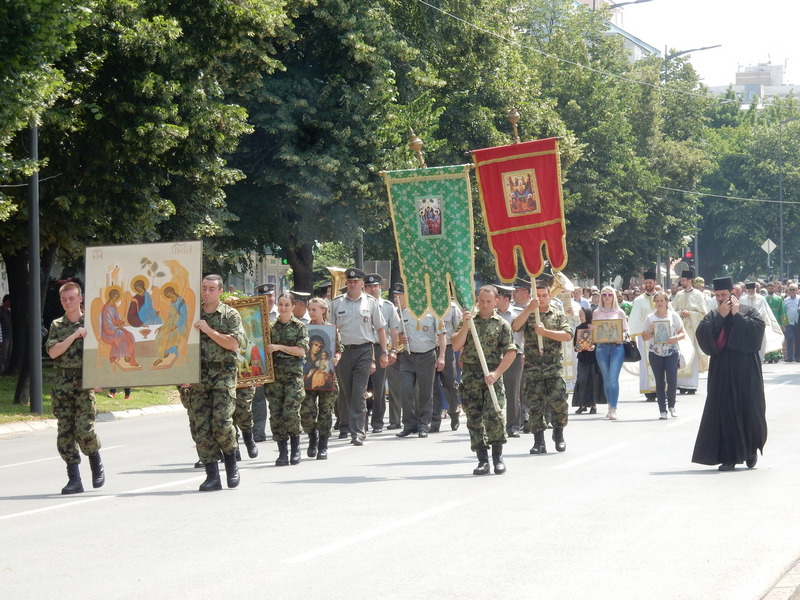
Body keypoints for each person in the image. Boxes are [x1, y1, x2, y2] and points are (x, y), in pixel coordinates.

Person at [692, 276, 767, 471]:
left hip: (746, 369)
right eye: (717, 295)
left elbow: (757, 332)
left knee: (749, 408)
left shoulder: (748, 311)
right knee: (725, 411)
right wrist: (720, 317)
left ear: (733, 293)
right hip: (722, 369)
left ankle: (750, 451)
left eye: (723, 294)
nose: (720, 298)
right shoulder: (714, 314)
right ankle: (729, 457)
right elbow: (703, 335)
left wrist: (736, 315)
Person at [183, 274, 246, 491]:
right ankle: (212, 475)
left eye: (211, 289)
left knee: (221, 422)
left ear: (220, 292)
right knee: (201, 427)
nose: (207, 292)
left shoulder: (230, 315)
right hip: (198, 376)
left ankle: (231, 461)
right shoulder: (191, 314)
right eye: (204, 288)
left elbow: (234, 344)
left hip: (223, 374)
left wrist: (208, 330)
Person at [45, 282, 105, 494]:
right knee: (65, 433)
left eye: (71, 298)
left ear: (80, 299)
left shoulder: (91, 322)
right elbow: (53, 352)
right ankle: (74, 479)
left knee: (84, 429)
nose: (68, 303)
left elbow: (101, 353)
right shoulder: (57, 326)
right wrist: (74, 335)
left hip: (84, 383)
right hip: (63, 385)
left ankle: (96, 462)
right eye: (64, 299)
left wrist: (98, 379)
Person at [452, 285, 517, 475]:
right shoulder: (469, 322)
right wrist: (465, 324)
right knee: (474, 418)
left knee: (494, 416)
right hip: (471, 375)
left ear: (496, 301)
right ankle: (482, 460)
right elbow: (456, 345)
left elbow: (511, 352)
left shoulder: (501, 325)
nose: (485, 305)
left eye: (489, 301)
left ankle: (497, 457)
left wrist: (496, 374)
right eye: (481, 301)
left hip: (491, 375)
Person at [512, 280, 573, 455]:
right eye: (538, 295)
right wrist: (529, 308)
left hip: (553, 366)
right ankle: (538, 441)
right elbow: (515, 326)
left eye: (544, 295)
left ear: (549, 296)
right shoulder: (529, 313)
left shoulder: (557, 314)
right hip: (533, 367)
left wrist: (545, 332)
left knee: (558, 402)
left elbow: (567, 335)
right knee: (535, 405)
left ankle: (558, 434)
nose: (541, 298)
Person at [329, 268, 388, 445]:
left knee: (358, 393)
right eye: (349, 281)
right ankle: (348, 425)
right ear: (346, 283)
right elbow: (332, 329)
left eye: (356, 281)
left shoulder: (370, 302)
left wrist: (384, 352)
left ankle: (358, 432)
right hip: (343, 351)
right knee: (346, 391)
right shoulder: (337, 303)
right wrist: (332, 353)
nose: (352, 284)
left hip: (364, 350)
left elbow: (380, 328)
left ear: (362, 284)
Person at [265, 292, 309, 465]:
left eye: (286, 305)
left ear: (293, 307)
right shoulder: (270, 328)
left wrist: (278, 347)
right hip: (275, 379)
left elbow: (301, 351)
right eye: (280, 304)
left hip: (293, 378)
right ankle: (282, 452)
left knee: (290, 413)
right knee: (276, 415)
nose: (283, 308)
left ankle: (295, 447)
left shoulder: (299, 327)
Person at [395, 290, 446, 437]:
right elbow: (400, 332)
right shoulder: (405, 312)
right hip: (408, 356)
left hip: (427, 356)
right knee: (405, 390)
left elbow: (441, 336)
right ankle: (409, 424)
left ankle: (424, 424)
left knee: (425, 392)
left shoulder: (433, 313)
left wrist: (441, 357)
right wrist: (401, 338)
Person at [300, 297, 340, 459]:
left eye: (314, 309)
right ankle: (312, 438)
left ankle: (323, 444)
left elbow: (339, 349)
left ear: (323, 310)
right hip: (307, 377)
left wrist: (337, 358)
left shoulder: (331, 330)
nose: (311, 312)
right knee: (307, 411)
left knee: (325, 411)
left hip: (327, 378)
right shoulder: (303, 328)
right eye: (309, 309)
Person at [363, 273, 400, 433]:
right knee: (360, 387)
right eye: (369, 286)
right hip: (363, 346)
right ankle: (360, 422)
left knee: (379, 388)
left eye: (375, 286)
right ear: (364, 288)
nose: (372, 289)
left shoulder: (388, 306)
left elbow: (394, 330)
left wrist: (393, 350)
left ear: (380, 287)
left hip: (380, 348)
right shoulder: (359, 304)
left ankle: (377, 422)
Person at [641, 291, 685, 419]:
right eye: (657, 301)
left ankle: (672, 405)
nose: (659, 303)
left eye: (662, 300)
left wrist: (675, 338)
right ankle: (662, 410)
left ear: (667, 302)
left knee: (672, 379)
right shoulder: (650, 318)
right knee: (660, 381)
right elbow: (644, 337)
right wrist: (651, 331)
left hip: (671, 351)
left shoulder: (673, 316)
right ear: (654, 303)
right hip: (655, 353)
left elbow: (682, 333)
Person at [592, 285, 628, 420]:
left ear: (614, 296)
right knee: (606, 379)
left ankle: (614, 408)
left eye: (610, 294)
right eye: (604, 294)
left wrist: (622, 338)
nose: (607, 297)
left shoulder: (620, 313)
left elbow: (626, 331)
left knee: (613, 378)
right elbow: (594, 332)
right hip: (601, 348)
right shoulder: (596, 313)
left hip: (616, 348)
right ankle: (609, 405)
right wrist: (591, 331)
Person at [671, 269, 708, 395]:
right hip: (681, 330)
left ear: (690, 280)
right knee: (680, 354)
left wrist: (690, 313)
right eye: (681, 280)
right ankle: (681, 384)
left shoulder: (699, 295)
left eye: (684, 280)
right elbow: (671, 311)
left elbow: (703, 313)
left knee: (693, 355)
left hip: (693, 330)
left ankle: (692, 385)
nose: (682, 282)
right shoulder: (679, 295)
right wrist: (680, 313)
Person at [495, 285, 525, 436]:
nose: (495, 300)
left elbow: (525, 335)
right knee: (494, 391)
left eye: (498, 297)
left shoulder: (517, 314)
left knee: (513, 393)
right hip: (494, 357)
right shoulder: (489, 315)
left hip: (514, 356)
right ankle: (495, 425)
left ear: (506, 299)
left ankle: (513, 426)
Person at [431, 298, 462, 433]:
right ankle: (435, 420)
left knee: (450, 384)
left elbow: (459, 331)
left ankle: (454, 413)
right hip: (429, 349)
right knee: (433, 387)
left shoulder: (452, 307)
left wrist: (461, 351)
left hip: (448, 348)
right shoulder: (423, 306)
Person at [627, 270, 658, 400]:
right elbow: (634, 319)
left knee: (661, 361)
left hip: (661, 335)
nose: (648, 285)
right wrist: (635, 334)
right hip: (644, 336)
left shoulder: (661, 298)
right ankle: (649, 391)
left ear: (655, 283)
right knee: (646, 362)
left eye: (650, 282)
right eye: (646, 283)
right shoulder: (639, 300)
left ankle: (662, 388)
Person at [251, 283, 276, 442]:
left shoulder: (282, 312)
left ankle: (280, 429)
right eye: (264, 297)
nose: (268, 299)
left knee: (277, 397)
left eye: (270, 296)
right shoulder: (252, 314)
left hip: (278, 362)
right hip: (259, 361)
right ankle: (258, 431)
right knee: (258, 398)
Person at [571, 307, 606, 415]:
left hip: (594, 358)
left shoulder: (594, 327)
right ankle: (582, 404)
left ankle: (593, 405)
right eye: (579, 314)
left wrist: (593, 344)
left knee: (593, 381)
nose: (580, 316)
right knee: (582, 380)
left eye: (582, 314)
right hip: (583, 357)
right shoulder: (579, 328)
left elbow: (601, 340)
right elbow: (575, 344)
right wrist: (578, 348)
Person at [100, 287, 139, 367]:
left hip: (115, 329)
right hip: (107, 333)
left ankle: (129, 356)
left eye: (117, 298)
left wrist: (120, 323)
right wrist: (117, 328)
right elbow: (106, 325)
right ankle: (126, 355)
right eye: (114, 297)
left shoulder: (114, 306)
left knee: (130, 335)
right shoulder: (106, 308)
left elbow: (116, 319)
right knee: (120, 333)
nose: (115, 299)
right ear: (111, 296)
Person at [153, 284, 189, 367]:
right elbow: (171, 317)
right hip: (170, 324)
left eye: (170, 293)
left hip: (180, 325)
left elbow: (184, 316)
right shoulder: (172, 302)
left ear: (173, 292)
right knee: (160, 335)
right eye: (168, 295)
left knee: (170, 336)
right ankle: (163, 352)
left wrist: (176, 326)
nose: (170, 295)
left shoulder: (181, 302)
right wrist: (163, 327)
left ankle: (160, 357)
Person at [784, 283, 800, 361]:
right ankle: (789, 356)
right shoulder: (785, 300)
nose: (792, 291)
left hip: (798, 322)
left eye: (793, 289)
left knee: (798, 339)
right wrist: (783, 324)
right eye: (790, 289)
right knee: (790, 338)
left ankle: (798, 357)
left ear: (797, 290)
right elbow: (783, 312)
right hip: (789, 322)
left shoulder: (799, 298)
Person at [0, 294, 12, 375]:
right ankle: (1, 371)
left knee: (9, 355)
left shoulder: (8, 312)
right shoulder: (0, 311)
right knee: (3, 356)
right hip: (4, 336)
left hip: (9, 336)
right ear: (6, 301)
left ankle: (6, 370)